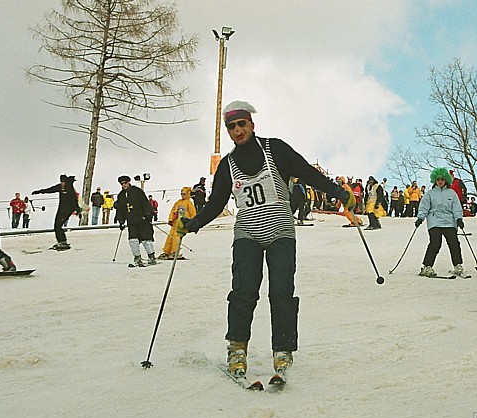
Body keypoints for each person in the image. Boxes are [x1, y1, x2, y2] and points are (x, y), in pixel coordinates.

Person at [175, 100, 355, 379]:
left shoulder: (275, 149)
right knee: (243, 291)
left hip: (280, 231)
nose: (237, 131)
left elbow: (307, 172)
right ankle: (237, 348)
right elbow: (215, 203)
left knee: (281, 290)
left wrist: (339, 193)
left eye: (241, 124)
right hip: (247, 233)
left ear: (251, 125)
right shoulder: (227, 165)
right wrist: (194, 223)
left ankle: (282, 349)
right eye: (231, 127)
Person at [414, 168, 465, 278]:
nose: (440, 181)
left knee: (454, 243)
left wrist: (459, 219)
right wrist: (420, 218)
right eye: (438, 179)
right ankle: (427, 266)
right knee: (435, 243)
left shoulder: (452, 193)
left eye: (442, 179)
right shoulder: (430, 194)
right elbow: (424, 207)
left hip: (449, 221)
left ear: (446, 180)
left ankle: (457, 265)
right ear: (435, 180)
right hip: (435, 221)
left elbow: (456, 208)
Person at [114, 175, 157, 267]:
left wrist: (148, 215)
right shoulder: (121, 195)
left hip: (142, 219)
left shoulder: (137, 191)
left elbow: (145, 203)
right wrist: (121, 221)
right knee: (133, 239)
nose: (124, 185)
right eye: (122, 184)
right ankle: (137, 257)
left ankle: (151, 256)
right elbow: (121, 209)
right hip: (131, 221)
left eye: (125, 183)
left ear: (129, 182)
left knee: (146, 239)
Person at [32, 175, 80, 250]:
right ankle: (61, 241)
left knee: (58, 225)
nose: (62, 184)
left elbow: (74, 199)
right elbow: (50, 190)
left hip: (68, 209)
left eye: (63, 182)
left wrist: (77, 209)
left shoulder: (69, 188)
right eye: (61, 182)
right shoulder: (59, 187)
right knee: (56, 225)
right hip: (61, 209)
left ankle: (63, 241)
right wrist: (39, 191)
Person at [159, 187, 196, 260]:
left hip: (183, 223)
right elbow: (172, 211)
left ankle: (175, 252)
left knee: (176, 236)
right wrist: (170, 219)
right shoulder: (178, 202)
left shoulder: (189, 203)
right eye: (181, 194)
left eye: (184, 194)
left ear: (188, 194)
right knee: (170, 237)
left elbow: (193, 214)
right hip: (175, 223)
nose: (182, 195)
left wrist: (192, 223)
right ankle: (167, 251)